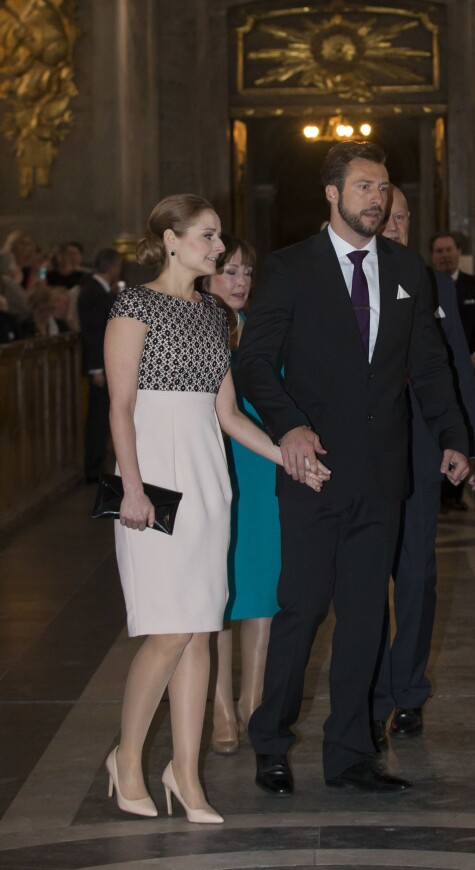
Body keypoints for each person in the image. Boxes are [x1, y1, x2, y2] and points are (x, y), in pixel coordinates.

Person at [237, 141, 470, 796]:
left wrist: (452, 435)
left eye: (385, 187)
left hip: (383, 476)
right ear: (333, 195)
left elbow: (426, 364)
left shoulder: (404, 269)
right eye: (365, 186)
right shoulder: (289, 269)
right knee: (303, 609)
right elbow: (255, 361)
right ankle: (272, 741)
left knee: (367, 617)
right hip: (313, 471)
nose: (379, 197)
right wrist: (290, 427)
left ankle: (349, 756)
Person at [103, 194, 328, 825]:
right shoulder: (134, 305)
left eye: (220, 237)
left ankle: (186, 775)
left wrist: (289, 455)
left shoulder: (212, 314)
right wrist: (132, 487)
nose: (219, 248)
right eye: (207, 236)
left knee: (201, 627)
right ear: (171, 239)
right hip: (153, 476)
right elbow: (121, 407)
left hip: (207, 479)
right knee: (169, 629)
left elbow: (227, 415)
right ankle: (126, 763)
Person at [372, 187, 475, 744]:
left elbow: (457, 372)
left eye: (401, 218)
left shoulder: (435, 284)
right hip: (366, 453)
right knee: (366, 577)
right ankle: (371, 693)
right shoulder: (350, 282)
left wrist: (472, 443)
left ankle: (408, 691)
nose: (393, 226)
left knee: (416, 574)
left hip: (421, 448)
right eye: (383, 217)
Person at [199, 234, 280, 755]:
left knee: (262, 586)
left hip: (264, 468)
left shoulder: (261, 328)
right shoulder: (195, 325)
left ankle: (254, 699)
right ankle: (221, 707)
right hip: (216, 463)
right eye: (230, 271)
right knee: (219, 590)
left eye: (247, 273)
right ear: (207, 272)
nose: (240, 282)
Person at [431, 232, 475, 511]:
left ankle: (455, 493)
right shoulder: (425, 285)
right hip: (435, 377)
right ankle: (441, 492)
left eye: (449, 250)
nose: (445, 255)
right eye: (439, 251)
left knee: (468, 426)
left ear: (459, 252)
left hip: (468, 371)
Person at [77, 249, 123, 482]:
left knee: (102, 416)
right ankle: (93, 469)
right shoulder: (93, 292)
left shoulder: (101, 291)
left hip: (104, 364)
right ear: (113, 267)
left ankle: (97, 465)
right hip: (100, 366)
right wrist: (96, 368)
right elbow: (94, 333)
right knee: (98, 417)